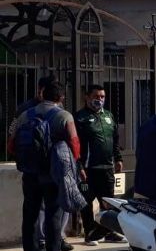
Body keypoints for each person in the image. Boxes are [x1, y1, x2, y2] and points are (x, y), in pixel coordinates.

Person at [9, 80, 80, 251]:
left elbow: (11, 145)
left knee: (30, 214)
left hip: (30, 173)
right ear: (61, 97)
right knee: (53, 214)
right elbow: (75, 144)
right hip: (53, 173)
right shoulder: (64, 116)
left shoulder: (25, 115)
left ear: (42, 94)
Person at [74, 85, 126, 246]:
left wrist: (118, 158)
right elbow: (75, 145)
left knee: (108, 202)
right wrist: (79, 166)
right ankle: (90, 233)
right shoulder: (79, 118)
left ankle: (108, 231)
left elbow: (115, 140)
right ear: (87, 97)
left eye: (102, 97)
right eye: (96, 97)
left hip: (107, 168)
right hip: (88, 169)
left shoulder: (108, 116)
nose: (100, 100)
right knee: (87, 202)